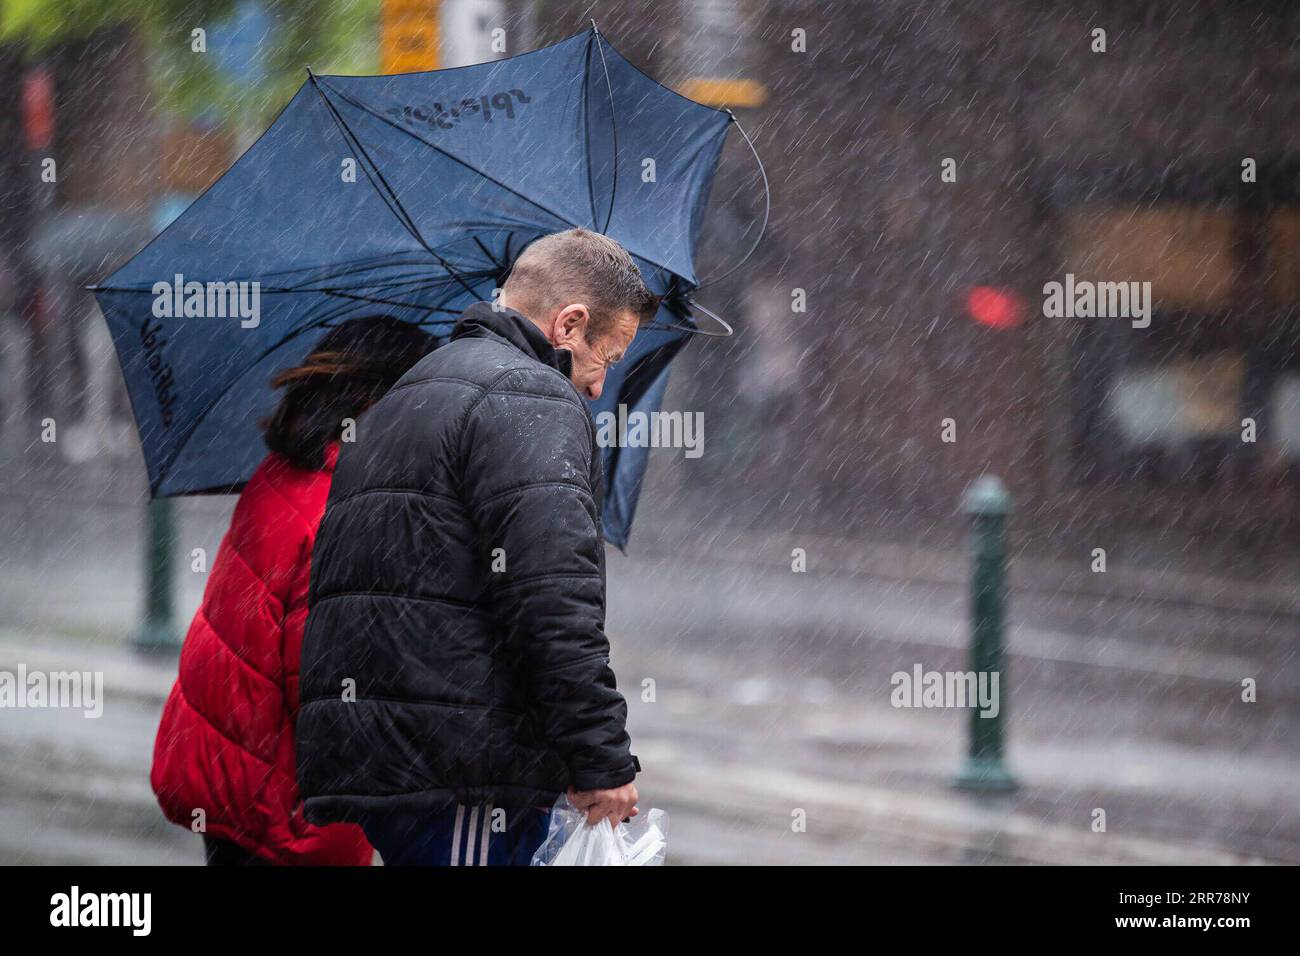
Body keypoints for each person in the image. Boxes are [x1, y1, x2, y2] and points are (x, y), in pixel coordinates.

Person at [295, 228, 657, 866]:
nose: (600, 386)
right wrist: (598, 755)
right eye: (609, 355)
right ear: (569, 324)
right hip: (465, 772)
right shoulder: (530, 397)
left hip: (400, 757)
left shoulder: (412, 389)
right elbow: (551, 599)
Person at [150, 315, 435, 865]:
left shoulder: (285, 472)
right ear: (377, 402)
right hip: (287, 811)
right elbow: (331, 689)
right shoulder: (343, 514)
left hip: (233, 778)